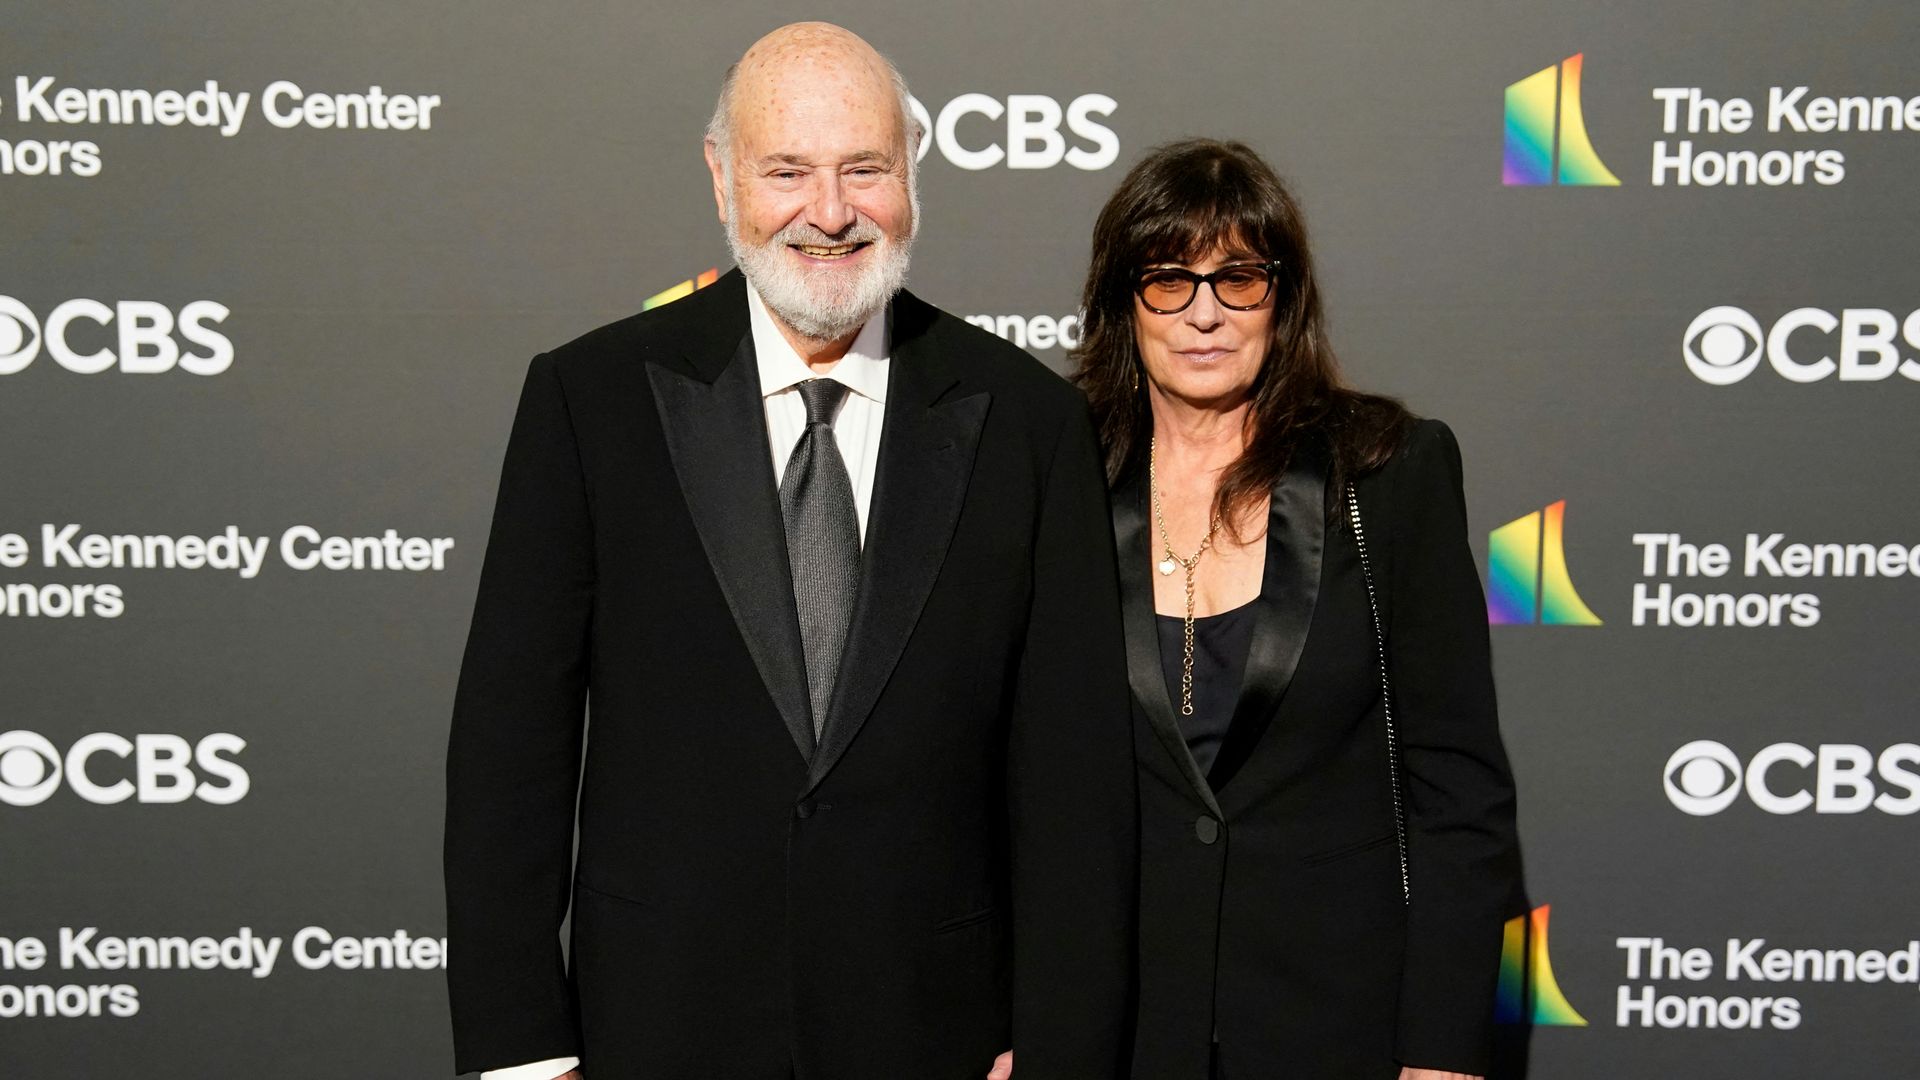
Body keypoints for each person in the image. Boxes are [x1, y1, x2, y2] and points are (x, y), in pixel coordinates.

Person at [443, 23, 1135, 1080]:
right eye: (788, 171)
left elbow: (1074, 777)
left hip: (940, 1035)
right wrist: (523, 1054)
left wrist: (1054, 1043)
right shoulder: (592, 403)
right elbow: (512, 749)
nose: (831, 212)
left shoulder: (1026, 421)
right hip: (656, 1029)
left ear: (913, 173)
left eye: (866, 168)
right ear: (722, 180)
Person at [1070, 139, 1520, 1079]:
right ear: (1122, 301)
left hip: (1338, 1022)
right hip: (1116, 1023)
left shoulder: (1386, 473)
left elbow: (1460, 790)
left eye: (1237, 278)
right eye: (1168, 280)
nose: (1204, 315)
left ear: (1283, 295)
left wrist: (1441, 1052)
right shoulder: (1058, 475)